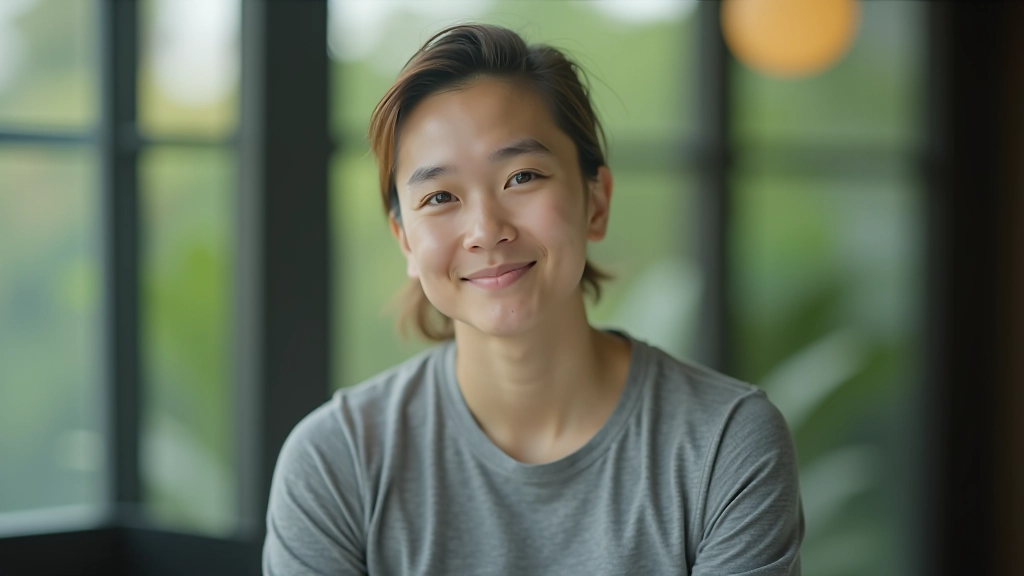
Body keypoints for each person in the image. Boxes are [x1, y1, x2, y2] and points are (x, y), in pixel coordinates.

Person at [263, 23, 804, 575]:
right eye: (440, 196)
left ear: (596, 201)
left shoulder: (724, 444)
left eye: (522, 176)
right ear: (405, 239)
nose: (486, 229)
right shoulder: (336, 462)